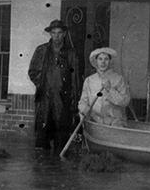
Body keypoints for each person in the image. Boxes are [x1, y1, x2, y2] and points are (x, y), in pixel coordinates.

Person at [28, 19, 81, 150]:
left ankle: (58, 167)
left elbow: (75, 78)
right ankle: (42, 165)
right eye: (53, 33)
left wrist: (74, 102)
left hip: (63, 100)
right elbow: (32, 71)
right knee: (42, 134)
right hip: (45, 98)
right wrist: (43, 84)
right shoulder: (41, 50)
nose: (56, 36)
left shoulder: (71, 53)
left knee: (61, 137)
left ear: (64, 34)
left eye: (59, 33)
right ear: (50, 34)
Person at [78, 47, 131, 126]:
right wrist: (85, 109)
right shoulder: (89, 81)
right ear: (96, 62)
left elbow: (125, 101)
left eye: (106, 59)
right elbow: (82, 102)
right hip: (95, 122)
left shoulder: (118, 79)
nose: (103, 62)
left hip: (115, 123)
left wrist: (110, 89)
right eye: (100, 59)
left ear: (110, 61)